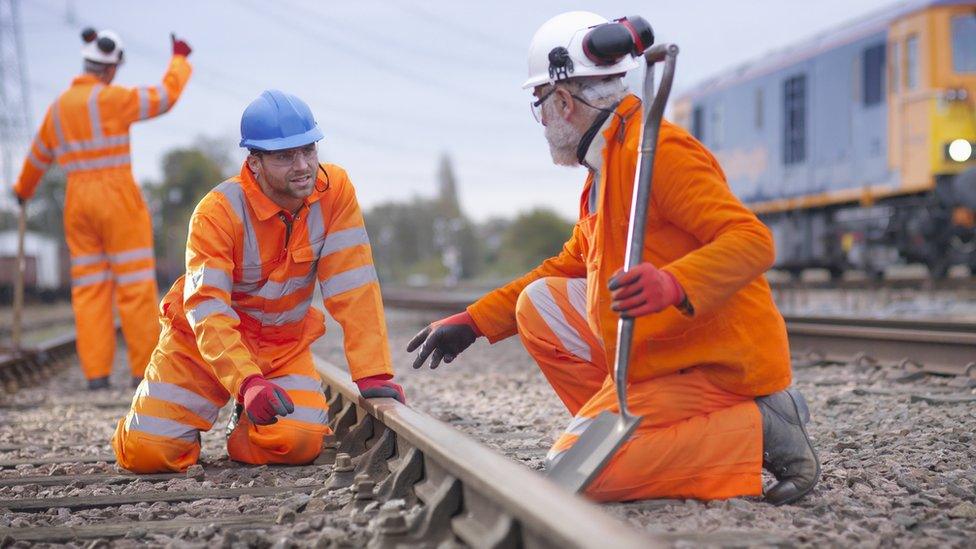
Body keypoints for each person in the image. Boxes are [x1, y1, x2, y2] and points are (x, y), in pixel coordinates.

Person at [408, 12, 820, 505]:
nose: (543, 123)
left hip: (713, 364)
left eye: (539, 107)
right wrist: (474, 321)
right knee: (539, 304)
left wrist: (675, 284)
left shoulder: (659, 153)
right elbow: (564, 269)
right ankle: (643, 439)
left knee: (573, 475)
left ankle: (758, 428)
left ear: (562, 101)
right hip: (662, 357)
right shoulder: (604, 170)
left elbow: (752, 240)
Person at [112, 90, 404, 473]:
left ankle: (244, 429)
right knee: (147, 453)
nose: (302, 166)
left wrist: (372, 371)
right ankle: (186, 424)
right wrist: (246, 381)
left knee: (296, 443)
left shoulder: (335, 193)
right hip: (202, 349)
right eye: (285, 157)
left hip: (281, 347)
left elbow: (355, 286)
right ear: (255, 162)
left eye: (309, 150)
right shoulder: (216, 213)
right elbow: (208, 307)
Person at [11, 28, 193, 390]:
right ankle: (143, 371)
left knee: (90, 290)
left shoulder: (58, 109)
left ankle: (96, 375)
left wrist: (22, 191)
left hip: (78, 202)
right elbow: (164, 96)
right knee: (135, 286)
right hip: (117, 198)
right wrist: (179, 61)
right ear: (109, 70)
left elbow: (37, 156)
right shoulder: (114, 98)